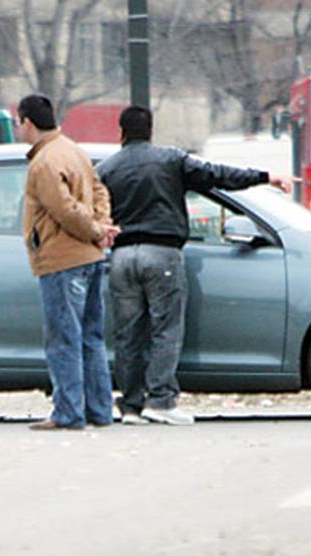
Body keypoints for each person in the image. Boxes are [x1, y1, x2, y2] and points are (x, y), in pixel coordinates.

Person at [97, 105, 293, 425]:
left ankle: (131, 405)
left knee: (128, 335)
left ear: (121, 133)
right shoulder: (171, 160)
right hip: (161, 254)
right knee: (165, 329)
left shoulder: (106, 169)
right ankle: (160, 400)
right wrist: (266, 177)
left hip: (121, 258)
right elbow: (219, 176)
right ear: (150, 130)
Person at [17, 93, 121, 431]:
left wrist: (94, 230)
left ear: (26, 123)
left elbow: (62, 210)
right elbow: (99, 190)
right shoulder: (74, 150)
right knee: (91, 336)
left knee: (63, 338)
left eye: (19, 123)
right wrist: (102, 226)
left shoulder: (44, 162)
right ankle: (100, 410)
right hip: (91, 258)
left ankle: (68, 413)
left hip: (61, 259)